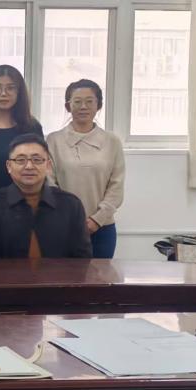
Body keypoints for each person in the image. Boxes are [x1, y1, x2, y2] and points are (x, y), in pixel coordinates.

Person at [0, 134, 92, 259]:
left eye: (37, 160)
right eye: (21, 160)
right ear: (9, 166)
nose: (29, 166)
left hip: (60, 273)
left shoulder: (71, 205)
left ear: (48, 166)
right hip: (6, 273)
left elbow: (82, 258)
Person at [46, 79, 125, 258]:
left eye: (89, 101)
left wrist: (96, 220)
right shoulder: (53, 140)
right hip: (63, 226)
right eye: (77, 101)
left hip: (102, 227)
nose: (83, 107)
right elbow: (49, 183)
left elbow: (116, 186)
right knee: (61, 275)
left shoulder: (112, 142)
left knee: (100, 275)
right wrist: (68, 218)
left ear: (99, 105)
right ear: (68, 106)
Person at [0, 65, 43, 201]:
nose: (3, 93)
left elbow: (39, 165)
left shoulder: (32, 127)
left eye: (10, 88)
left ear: (19, 92)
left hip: (24, 201)